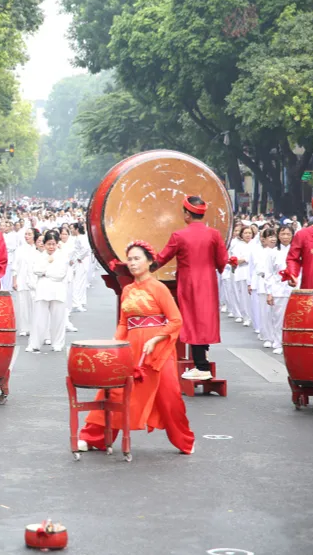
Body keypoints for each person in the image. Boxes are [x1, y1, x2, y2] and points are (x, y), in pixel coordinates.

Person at [77, 241, 195, 455]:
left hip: (158, 349)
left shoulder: (158, 288)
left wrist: (156, 339)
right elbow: (124, 323)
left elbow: (175, 320)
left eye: (137, 258)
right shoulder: (128, 290)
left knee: (170, 396)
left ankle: (184, 440)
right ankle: (93, 437)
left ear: (149, 262)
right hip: (131, 347)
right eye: (129, 259)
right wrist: (115, 344)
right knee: (113, 390)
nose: (132, 263)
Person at [152, 195, 229, 382]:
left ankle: (201, 366)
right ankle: (203, 360)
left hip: (189, 283)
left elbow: (161, 258)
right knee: (204, 319)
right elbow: (222, 261)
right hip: (208, 283)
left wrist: (144, 267)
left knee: (193, 321)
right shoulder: (214, 234)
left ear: (187, 214)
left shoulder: (179, 236)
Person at [27, 230, 70, 353]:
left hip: (58, 291)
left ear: (57, 244)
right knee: (38, 319)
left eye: (53, 244)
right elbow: (36, 270)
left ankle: (57, 343)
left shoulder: (63, 256)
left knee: (58, 318)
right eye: (48, 244)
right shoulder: (40, 256)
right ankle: (35, 343)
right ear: (44, 244)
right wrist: (47, 268)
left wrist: (45, 272)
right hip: (42, 290)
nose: (51, 247)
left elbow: (60, 274)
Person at [265, 225, 295, 355]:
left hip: (294, 289)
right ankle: (278, 342)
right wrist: (269, 292)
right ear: (278, 236)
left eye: (288, 234)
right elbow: (269, 273)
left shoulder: (297, 251)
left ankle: (292, 343)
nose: (285, 237)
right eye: (283, 234)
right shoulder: (272, 252)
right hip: (278, 289)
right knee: (278, 318)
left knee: (294, 318)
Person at [12, 228, 40, 340]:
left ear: (34, 236)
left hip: (34, 281)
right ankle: (24, 328)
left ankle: (34, 327)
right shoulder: (20, 249)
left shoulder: (38, 249)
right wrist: (14, 280)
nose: (26, 236)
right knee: (22, 305)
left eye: (29, 234)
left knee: (34, 305)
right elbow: (15, 266)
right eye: (26, 234)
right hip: (22, 280)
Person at [230, 226, 254, 329]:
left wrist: (245, 259)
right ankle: (246, 317)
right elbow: (236, 260)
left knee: (253, 297)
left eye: (249, 233)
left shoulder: (256, 245)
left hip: (253, 273)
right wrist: (246, 259)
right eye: (245, 233)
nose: (248, 235)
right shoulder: (238, 246)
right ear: (241, 235)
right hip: (242, 272)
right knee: (244, 296)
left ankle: (254, 317)